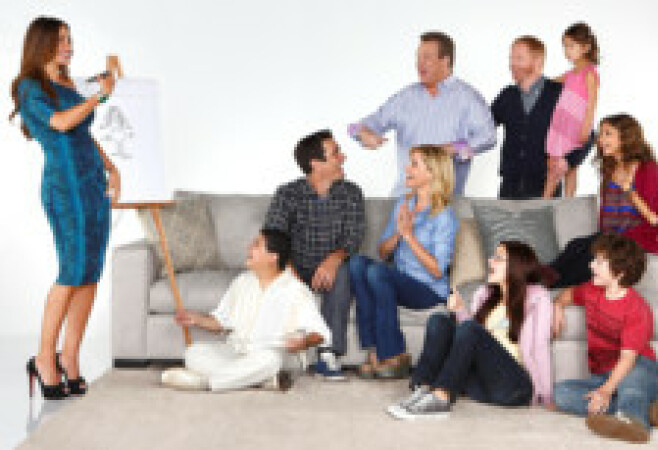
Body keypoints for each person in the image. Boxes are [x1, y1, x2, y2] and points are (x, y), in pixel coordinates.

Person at [10, 17, 120, 400]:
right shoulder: (30, 88)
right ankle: (44, 358)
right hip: (65, 188)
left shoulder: (72, 84)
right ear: (40, 44)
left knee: (90, 273)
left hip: (91, 184)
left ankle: (69, 357)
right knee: (71, 272)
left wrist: (111, 167)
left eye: (70, 39)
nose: (69, 47)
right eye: (60, 41)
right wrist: (99, 97)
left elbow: (83, 132)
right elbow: (60, 124)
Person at [387, 241, 553, 420]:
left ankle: (441, 398)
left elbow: (540, 346)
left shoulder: (538, 298)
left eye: (498, 258)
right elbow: (470, 342)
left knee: (471, 329)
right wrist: (459, 310)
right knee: (439, 321)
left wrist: (546, 395)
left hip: (514, 386)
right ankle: (422, 389)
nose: (490, 261)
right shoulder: (485, 295)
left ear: (516, 265)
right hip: (485, 384)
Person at [160, 228, 331, 392]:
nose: (249, 248)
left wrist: (304, 343)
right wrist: (197, 319)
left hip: (276, 355)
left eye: (256, 244)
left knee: (270, 361)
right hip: (239, 352)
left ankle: (207, 383)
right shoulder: (241, 282)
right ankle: (260, 381)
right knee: (193, 352)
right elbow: (221, 323)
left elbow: (321, 333)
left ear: (273, 257)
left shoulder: (296, 290)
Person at [348, 145, 458, 379]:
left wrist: (409, 236)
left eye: (414, 164)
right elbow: (382, 252)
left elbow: (437, 270)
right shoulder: (403, 205)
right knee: (357, 263)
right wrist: (399, 233)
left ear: (432, 173)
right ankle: (374, 350)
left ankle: (394, 353)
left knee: (377, 273)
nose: (407, 169)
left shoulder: (444, 215)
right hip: (401, 282)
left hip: (428, 290)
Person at [264, 130, 366, 380]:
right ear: (316, 164)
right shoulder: (287, 193)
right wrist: (291, 272)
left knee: (343, 272)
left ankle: (328, 354)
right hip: (296, 265)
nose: (343, 157)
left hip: (333, 270)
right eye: (335, 153)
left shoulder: (351, 193)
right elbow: (274, 237)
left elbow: (353, 237)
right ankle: (266, 354)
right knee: (276, 277)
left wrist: (334, 259)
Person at [348, 31, 496, 196]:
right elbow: (352, 128)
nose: (419, 63)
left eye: (427, 57)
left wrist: (453, 148)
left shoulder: (468, 98)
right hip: (404, 199)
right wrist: (362, 133)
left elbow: (488, 137)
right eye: (418, 58)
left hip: (446, 201)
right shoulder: (404, 98)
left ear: (445, 61)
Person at [552, 234, 658, 444]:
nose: (591, 265)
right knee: (560, 394)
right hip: (604, 375)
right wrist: (557, 306)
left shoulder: (637, 308)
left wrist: (605, 391)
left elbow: (628, 359)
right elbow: (566, 295)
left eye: (599, 262)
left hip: (640, 367)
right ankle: (643, 409)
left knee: (631, 382)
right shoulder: (590, 290)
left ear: (620, 272)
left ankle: (634, 423)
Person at [547, 114, 658, 288]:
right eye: (601, 134)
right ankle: (538, 278)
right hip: (612, 238)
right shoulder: (611, 169)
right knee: (575, 246)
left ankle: (544, 285)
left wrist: (628, 189)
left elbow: (654, 219)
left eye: (607, 134)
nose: (600, 140)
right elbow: (608, 213)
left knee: (589, 258)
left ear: (625, 137)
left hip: (636, 241)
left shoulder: (647, 168)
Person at [491, 36, 563, 199]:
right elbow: (482, 129)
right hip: (509, 188)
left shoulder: (559, 93)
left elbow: (586, 135)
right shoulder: (507, 95)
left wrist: (568, 161)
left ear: (538, 61)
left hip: (546, 188)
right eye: (511, 58)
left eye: (519, 58)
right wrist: (457, 147)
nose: (512, 64)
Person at [543, 22, 600, 199]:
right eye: (565, 46)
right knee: (554, 166)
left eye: (571, 46)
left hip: (577, 127)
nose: (567, 51)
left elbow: (592, 103)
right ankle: (545, 201)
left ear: (585, 47)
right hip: (561, 127)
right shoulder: (570, 73)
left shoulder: (589, 73)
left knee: (572, 167)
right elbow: (548, 82)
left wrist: (586, 128)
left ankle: (568, 201)